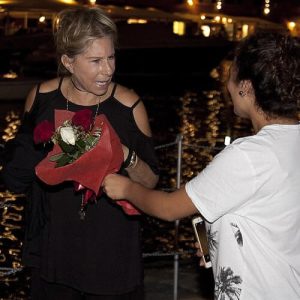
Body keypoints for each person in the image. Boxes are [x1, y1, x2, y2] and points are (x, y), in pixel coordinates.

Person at [103, 32, 300, 299]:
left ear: (246, 87)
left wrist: (126, 188)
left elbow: (169, 207)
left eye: (230, 75)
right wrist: (217, 243)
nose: (227, 85)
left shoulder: (249, 155)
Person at [1, 7, 159, 300]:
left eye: (111, 57)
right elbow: (18, 175)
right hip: (54, 256)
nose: (108, 69)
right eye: (96, 61)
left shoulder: (129, 105)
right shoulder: (42, 98)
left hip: (111, 260)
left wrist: (124, 154)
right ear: (68, 61)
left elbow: (150, 183)